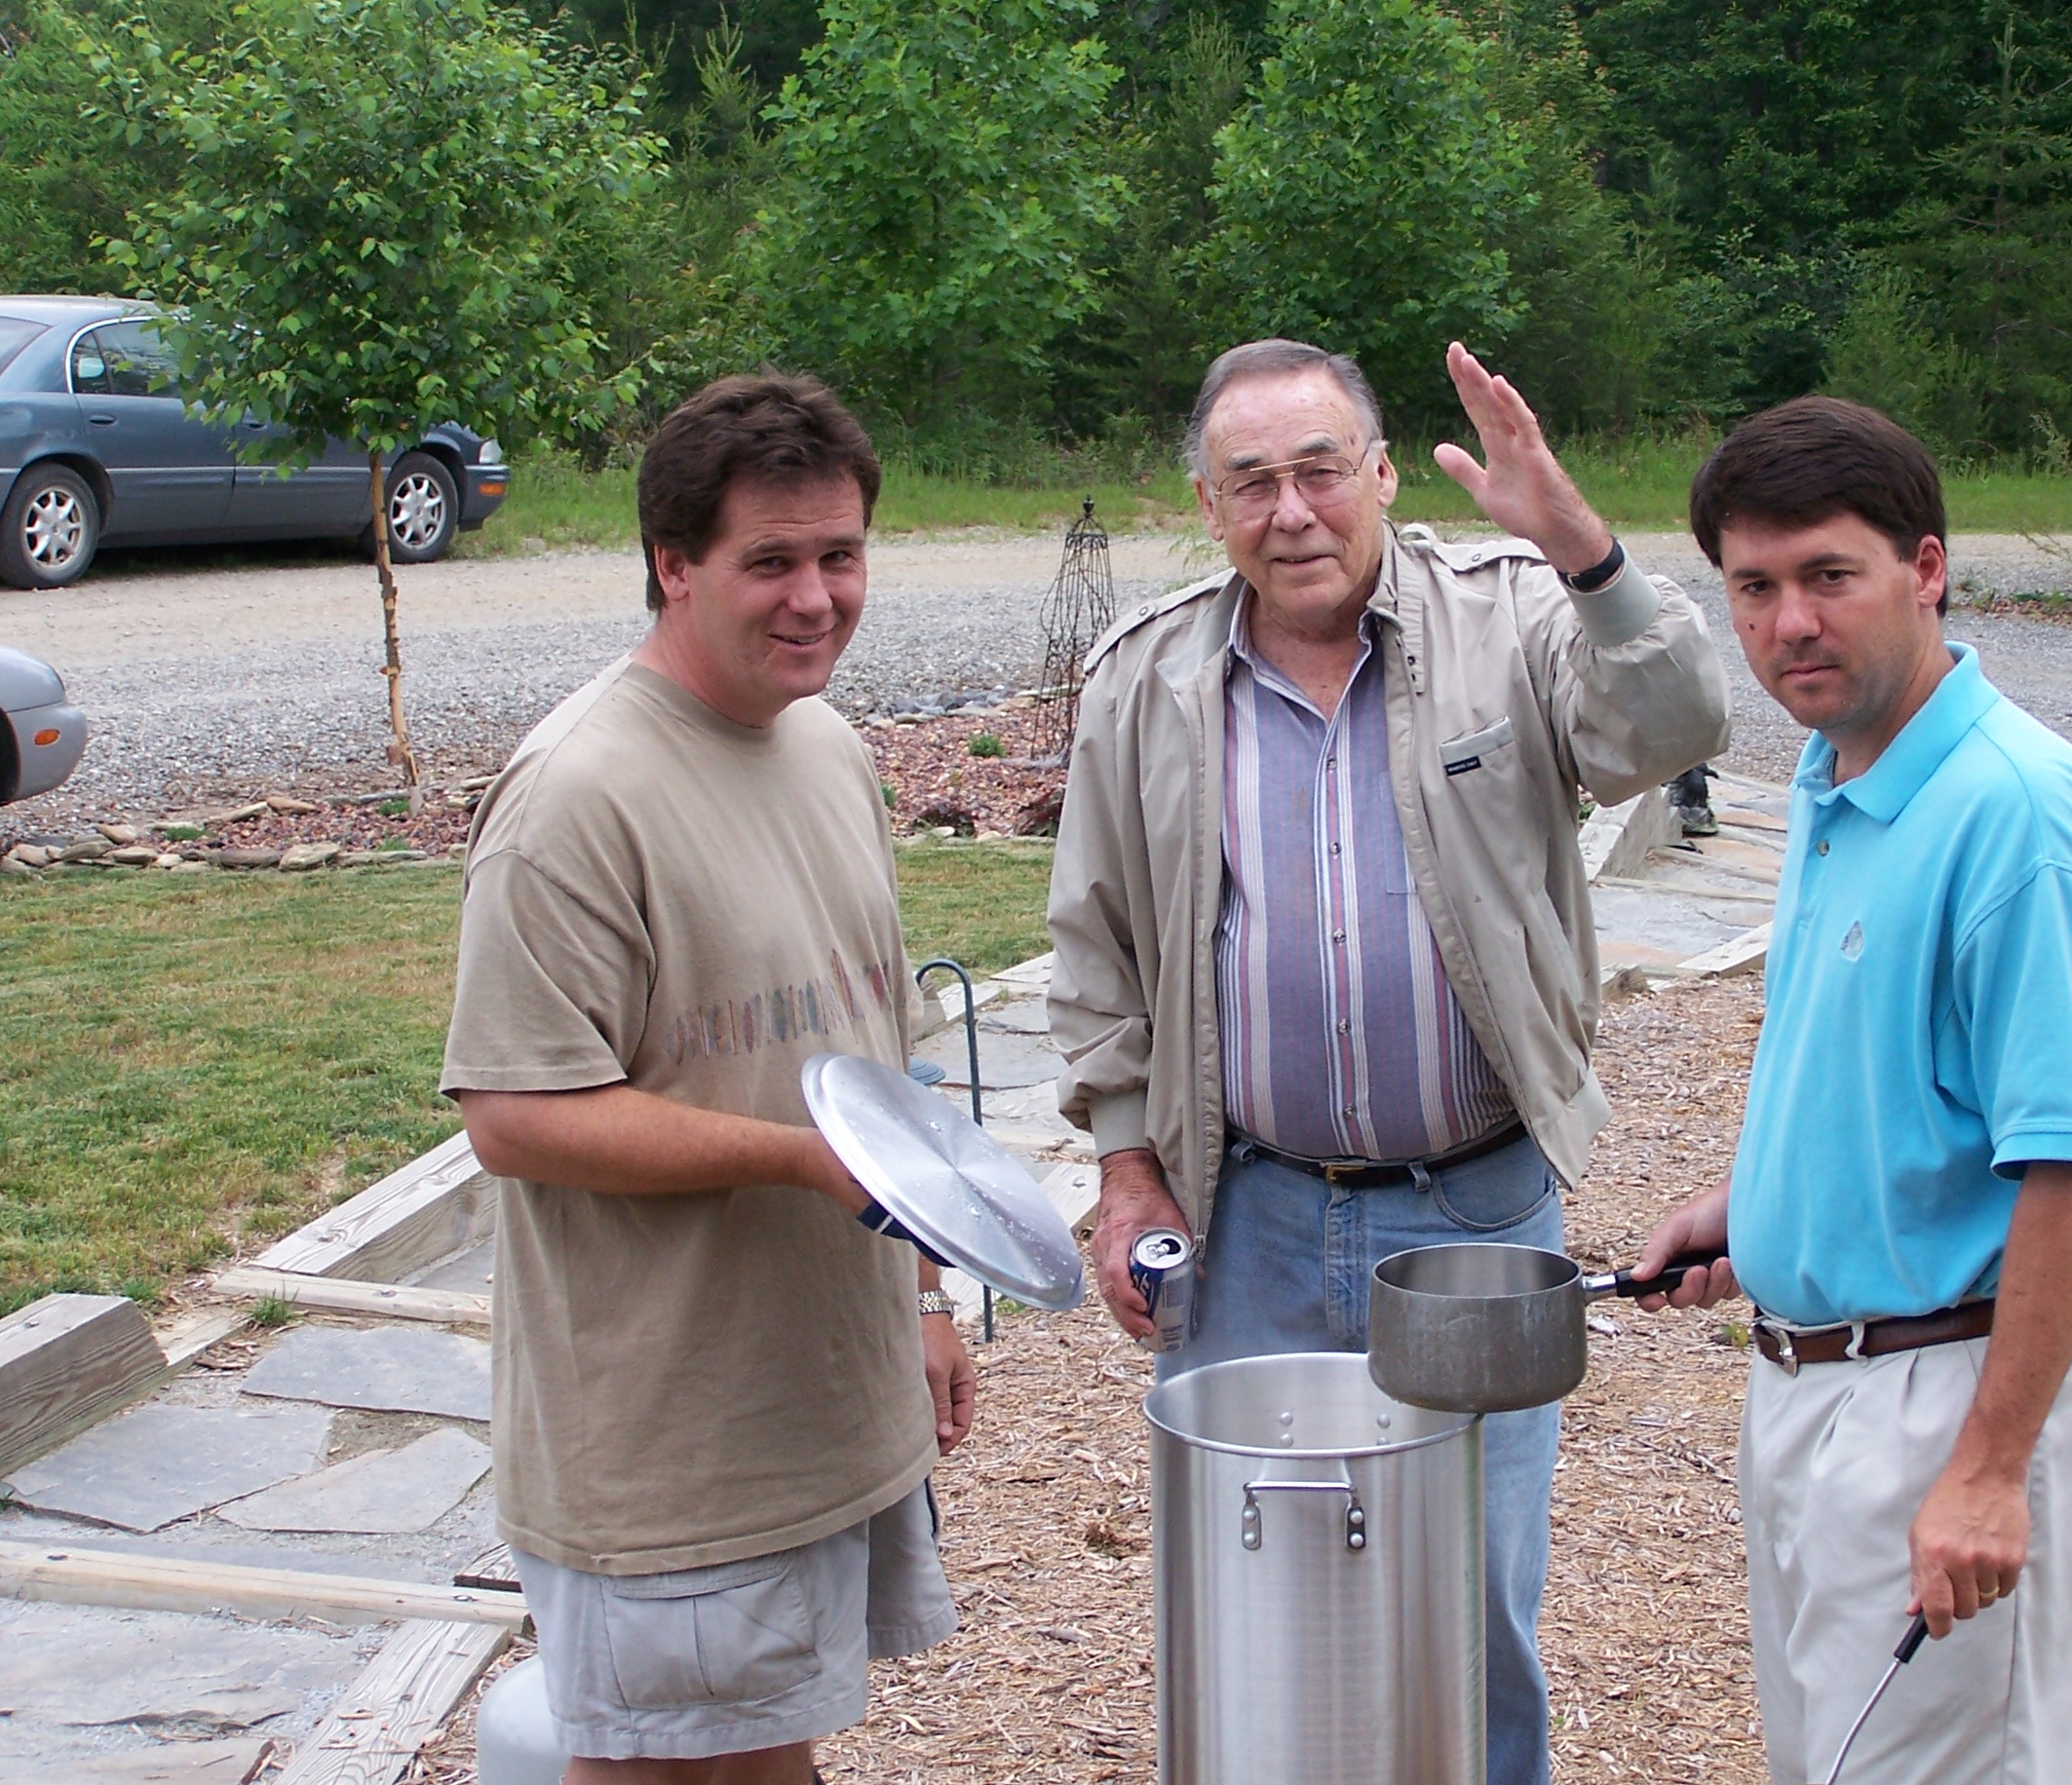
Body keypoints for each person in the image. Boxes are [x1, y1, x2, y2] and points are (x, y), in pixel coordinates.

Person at [1049, 336, 1730, 1785]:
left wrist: (1583, 544)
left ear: (1376, 473)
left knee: (1471, 1612)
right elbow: (1097, 949)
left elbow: (1677, 725)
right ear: (1205, 502)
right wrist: (1125, 1172)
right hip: (1252, 1222)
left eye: (1318, 472)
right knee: (1257, 1611)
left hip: (1474, 1218)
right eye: (1252, 483)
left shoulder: (1515, 624)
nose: (1291, 512)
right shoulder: (1147, 679)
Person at [441, 373, 973, 1785]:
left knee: (766, 1757)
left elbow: (869, 1058)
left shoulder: (825, 746)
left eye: (841, 556)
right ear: (673, 564)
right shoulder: (577, 797)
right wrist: (798, 1160)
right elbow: (515, 1117)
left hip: (818, 1401)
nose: (817, 598)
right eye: (772, 563)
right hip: (669, 1444)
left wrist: (921, 1292)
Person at [1632, 396, 2072, 1785]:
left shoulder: (2022, 816)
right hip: (1816, 1384)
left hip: (1949, 1396)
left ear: (1925, 569)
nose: (1788, 622)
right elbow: (1890, 1082)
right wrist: (1755, 1211)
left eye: (1827, 577)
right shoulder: (1836, 770)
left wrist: (1988, 1469)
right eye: (1754, 585)